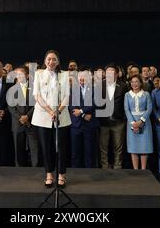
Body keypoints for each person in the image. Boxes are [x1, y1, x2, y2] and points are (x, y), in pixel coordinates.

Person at [31, 50, 71, 188]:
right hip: (43, 115)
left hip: (62, 115)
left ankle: (61, 175)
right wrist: (50, 111)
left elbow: (67, 96)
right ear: (45, 60)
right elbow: (37, 95)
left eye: (54, 59)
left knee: (61, 147)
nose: (51, 62)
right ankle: (49, 174)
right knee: (46, 147)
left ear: (58, 61)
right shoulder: (38, 74)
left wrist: (58, 111)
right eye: (48, 59)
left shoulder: (64, 75)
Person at [97, 64, 127, 170]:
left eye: (112, 73)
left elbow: (126, 103)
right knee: (103, 147)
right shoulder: (100, 85)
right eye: (107, 72)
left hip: (118, 122)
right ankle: (104, 167)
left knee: (118, 147)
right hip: (103, 122)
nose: (109, 75)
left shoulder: (123, 86)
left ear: (117, 74)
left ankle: (117, 167)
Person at [8, 66, 39, 167]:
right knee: (19, 149)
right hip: (18, 123)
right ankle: (19, 170)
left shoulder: (35, 88)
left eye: (21, 74)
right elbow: (11, 107)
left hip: (32, 122)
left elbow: (37, 104)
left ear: (27, 75)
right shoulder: (12, 89)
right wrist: (21, 118)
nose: (19, 76)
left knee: (34, 149)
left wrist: (27, 117)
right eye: (17, 74)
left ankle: (36, 168)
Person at [69, 68, 99, 168]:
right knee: (75, 152)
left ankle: (90, 173)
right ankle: (76, 172)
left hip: (90, 125)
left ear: (89, 78)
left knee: (89, 152)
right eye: (80, 77)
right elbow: (71, 106)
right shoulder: (73, 90)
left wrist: (81, 111)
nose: (82, 79)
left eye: (84, 77)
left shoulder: (95, 90)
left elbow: (95, 104)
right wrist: (83, 114)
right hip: (76, 125)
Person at [124, 75, 153, 170]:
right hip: (131, 122)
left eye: (136, 81)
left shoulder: (146, 94)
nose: (134, 84)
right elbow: (126, 109)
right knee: (134, 147)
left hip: (144, 122)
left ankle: (143, 170)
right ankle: (136, 170)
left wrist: (141, 121)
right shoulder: (127, 95)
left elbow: (149, 108)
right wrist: (133, 123)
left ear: (141, 83)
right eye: (132, 82)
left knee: (144, 146)